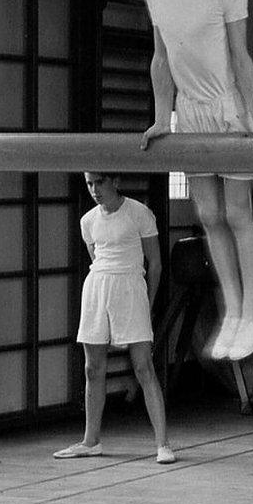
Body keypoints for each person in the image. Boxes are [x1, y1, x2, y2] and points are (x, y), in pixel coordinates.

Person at [140, 0, 253, 363]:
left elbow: (241, 58)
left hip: (228, 109)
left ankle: (251, 309)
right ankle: (234, 312)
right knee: (208, 213)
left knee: (238, 212)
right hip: (192, 113)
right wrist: (164, 117)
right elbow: (161, 60)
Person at [53, 172, 173, 464]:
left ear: (115, 181)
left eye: (100, 182)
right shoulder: (88, 221)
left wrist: (149, 302)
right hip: (98, 288)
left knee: (144, 367)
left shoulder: (139, 213)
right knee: (92, 369)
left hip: (131, 286)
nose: (94, 189)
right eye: (90, 183)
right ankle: (90, 441)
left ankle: (163, 444)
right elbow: (97, 259)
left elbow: (155, 264)